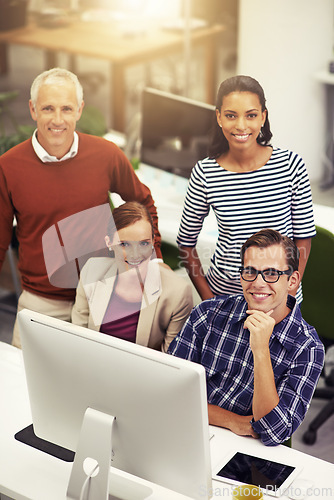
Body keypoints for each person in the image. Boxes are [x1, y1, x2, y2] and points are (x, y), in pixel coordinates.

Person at [0, 68, 163, 349]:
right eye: (48, 108)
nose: (58, 119)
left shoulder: (106, 154)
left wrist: (154, 259)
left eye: (67, 108)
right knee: (22, 385)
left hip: (103, 297)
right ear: (32, 110)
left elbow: (143, 202)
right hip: (42, 303)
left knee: (102, 387)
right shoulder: (8, 166)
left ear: (80, 110)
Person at [168, 229, 324, 446]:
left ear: (292, 281)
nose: (258, 283)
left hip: (248, 459)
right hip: (186, 431)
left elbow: (273, 431)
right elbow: (168, 392)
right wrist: (233, 421)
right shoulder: (207, 314)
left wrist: (261, 349)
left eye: (271, 273)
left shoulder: (308, 347)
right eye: (249, 271)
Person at [177, 75, 315, 303]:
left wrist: (288, 294)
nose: (241, 125)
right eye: (231, 115)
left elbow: (303, 239)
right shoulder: (205, 173)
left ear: (263, 117)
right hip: (226, 296)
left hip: (280, 296)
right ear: (219, 117)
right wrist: (209, 298)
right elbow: (186, 242)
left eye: (251, 115)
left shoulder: (291, 165)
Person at [72, 201, 193, 352]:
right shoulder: (92, 271)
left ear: (153, 241)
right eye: (124, 244)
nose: (136, 255)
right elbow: (77, 337)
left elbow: (170, 360)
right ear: (109, 243)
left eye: (144, 243)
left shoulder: (178, 292)